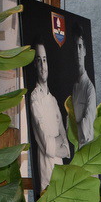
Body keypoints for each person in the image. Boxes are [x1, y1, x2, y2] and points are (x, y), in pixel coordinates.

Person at [28, 43, 70, 191]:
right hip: (46, 171)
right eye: (39, 60)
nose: (42, 66)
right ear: (35, 64)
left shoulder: (53, 100)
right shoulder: (34, 98)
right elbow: (46, 145)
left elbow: (66, 147)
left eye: (44, 60)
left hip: (60, 171)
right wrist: (58, 141)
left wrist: (57, 142)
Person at [70, 33, 97, 146]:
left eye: (80, 46)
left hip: (86, 146)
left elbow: (87, 125)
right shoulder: (74, 86)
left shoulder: (90, 88)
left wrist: (72, 127)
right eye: (75, 47)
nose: (78, 51)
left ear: (85, 51)